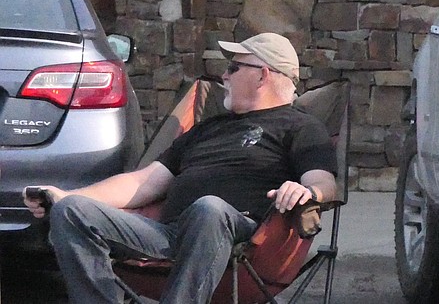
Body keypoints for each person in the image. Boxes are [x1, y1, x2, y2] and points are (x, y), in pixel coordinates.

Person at [24, 32, 338, 304]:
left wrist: (305, 190)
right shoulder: (206, 128)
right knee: (72, 210)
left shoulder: (300, 127)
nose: (224, 77)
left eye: (233, 67)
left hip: (241, 239)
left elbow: (323, 181)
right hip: (170, 234)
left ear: (262, 75)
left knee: (209, 208)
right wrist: (65, 195)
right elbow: (144, 183)